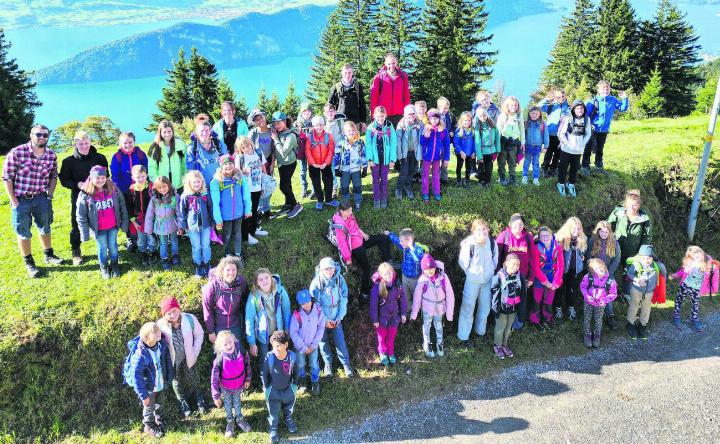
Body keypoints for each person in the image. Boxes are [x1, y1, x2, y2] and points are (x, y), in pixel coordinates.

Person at [3, 124, 64, 276]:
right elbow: (7, 178)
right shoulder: (17, 152)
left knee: (45, 227)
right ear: (31, 135)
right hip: (21, 200)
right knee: (23, 233)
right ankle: (29, 263)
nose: (42, 137)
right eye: (38, 134)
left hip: (41, 198)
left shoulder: (51, 155)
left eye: (45, 135)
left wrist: (49, 195)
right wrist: (14, 201)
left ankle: (48, 255)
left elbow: (53, 176)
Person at [59, 130, 108, 265]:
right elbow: (64, 180)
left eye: (86, 143)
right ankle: (76, 251)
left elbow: (106, 175)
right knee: (77, 222)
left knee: (103, 219)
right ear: (75, 144)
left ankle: (106, 245)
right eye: (80, 144)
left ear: (90, 142)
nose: (84, 146)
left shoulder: (100, 158)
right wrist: (77, 184)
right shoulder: (68, 161)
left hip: (99, 194)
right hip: (79, 196)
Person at [156, 297, 206, 418]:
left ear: (178, 308)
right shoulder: (160, 326)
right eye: (168, 313)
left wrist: (195, 351)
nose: (172, 315)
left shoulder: (189, 319)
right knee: (176, 382)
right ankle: (183, 402)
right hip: (173, 361)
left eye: (174, 310)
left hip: (189, 356)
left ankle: (200, 399)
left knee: (194, 378)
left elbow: (199, 334)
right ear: (164, 315)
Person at [76, 166, 129, 279]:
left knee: (113, 246)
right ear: (91, 178)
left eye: (103, 177)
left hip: (113, 226)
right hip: (98, 229)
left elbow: (122, 206)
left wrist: (124, 222)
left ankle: (114, 265)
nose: (100, 180)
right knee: (102, 248)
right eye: (97, 178)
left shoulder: (113, 189)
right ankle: (104, 266)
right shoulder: (85, 194)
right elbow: (81, 216)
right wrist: (84, 233)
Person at [332, 201, 392, 298]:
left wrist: (362, 233)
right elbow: (342, 243)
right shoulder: (340, 225)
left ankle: (388, 260)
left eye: (351, 210)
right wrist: (348, 258)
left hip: (360, 239)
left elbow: (356, 227)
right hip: (356, 248)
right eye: (348, 211)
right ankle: (364, 292)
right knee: (366, 268)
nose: (351, 212)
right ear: (341, 211)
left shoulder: (349, 216)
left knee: (382, 238)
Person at [125, 322, 174, 438]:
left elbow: (168, 362)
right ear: (146, 338)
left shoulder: (162, 345)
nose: (159, 333)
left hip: (160, 384)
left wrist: (169, 378)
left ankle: (159, 420)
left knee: (159, 404)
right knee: (149, 407)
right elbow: (136, 377)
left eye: (158, 330)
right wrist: (143, 395)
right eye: (155, 332)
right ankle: (149, 426)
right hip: (149, 389)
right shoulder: (140, 355)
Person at [309, 257, 355, 378]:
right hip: (321, 320)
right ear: (321, 270)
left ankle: (346, 365)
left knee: (340, 342)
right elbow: (315, 305)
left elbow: (344, 299)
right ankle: (327, 365)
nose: (329, 271)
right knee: (323, 343)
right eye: (326, 269)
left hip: (336, 318)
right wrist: (324, 320)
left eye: (331, 268)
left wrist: (340, 316)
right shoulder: (316, 283)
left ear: (334, 268)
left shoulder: (340, 280)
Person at [457, 219, 498, 346]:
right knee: (468, 308)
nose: (482, 232)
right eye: (479, 229)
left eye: (484, 229)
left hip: (487, 281)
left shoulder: (492, 242)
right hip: (472, 281)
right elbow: (463, 262)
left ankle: (480, 332)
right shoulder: (469, 244)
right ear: (473, 231)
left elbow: (495, 259)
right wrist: (471, 273)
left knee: (485, 307)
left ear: (488, 230)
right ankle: (464, 336)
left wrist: (490, 272)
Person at [495, 213, 538, 329]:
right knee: (506, 299)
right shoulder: (504, 236)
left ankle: (518, 323)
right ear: (510, 224)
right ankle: (502, 321)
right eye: (516, 223)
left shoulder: (528, 238)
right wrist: (499, 274)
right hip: (506, 277)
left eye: (521, 224)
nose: (518, 226)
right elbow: (496, 257)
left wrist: (532, 277)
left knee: (521, 300)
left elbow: (533, 259)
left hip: (522, 276)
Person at [581, 80, 629, 175]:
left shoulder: (613, 100)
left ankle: (598, 166)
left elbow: (623, 108)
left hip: (604, 130)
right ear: (598, 90)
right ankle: (585, 167)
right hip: (592, 129)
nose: (605, 90)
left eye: (607, 88)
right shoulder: (593, 101)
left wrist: (624, 98)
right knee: (588, 147)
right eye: (603, 88)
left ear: (609, 89)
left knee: (600, 149)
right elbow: (585, 114)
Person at [412, 254, 455, 358]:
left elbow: (450, 295)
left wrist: (449, 314)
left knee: (439, 326)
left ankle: (440, 344)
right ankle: (427, 344)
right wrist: (414, 313)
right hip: (427, 308)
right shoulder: (422, 280)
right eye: (426, 269)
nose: (429, 271)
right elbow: (417, 297)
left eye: (431, 268)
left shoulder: (443, 277)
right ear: (423, 270)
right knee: (426, 326)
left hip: (440, 308)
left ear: (435, 267)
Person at [211, 330, 252, 437]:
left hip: (239, 386)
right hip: (225, 388)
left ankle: (239, 419)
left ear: (234, 340)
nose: (229, 345)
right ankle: (230, 422)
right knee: (228, 405)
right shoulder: (219, 360)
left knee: (237, 402)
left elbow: (247, 366)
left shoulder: (242, 353)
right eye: (225, 344)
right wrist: (216, 396)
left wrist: (248, 379)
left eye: (230, 342)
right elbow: (214, 379)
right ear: (220, 347)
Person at [210, 155, 251, 260]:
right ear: (221, 166)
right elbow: (215, 202)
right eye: (225, 164)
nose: (228, 166)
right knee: (227, 234)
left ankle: (238, 254)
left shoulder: (240, 178)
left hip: (238, 213)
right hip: (225, 215)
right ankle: (227, 254)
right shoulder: (216, 182)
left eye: (230, 163)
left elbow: (246, 195)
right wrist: (218, 219)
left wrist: (247, 209)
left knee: (238, 233)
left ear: (234, 164)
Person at [261, 330, 299, 444]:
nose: (276, 349)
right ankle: (273, 429)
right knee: (274, 411)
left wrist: (294, 386)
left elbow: (296, 372)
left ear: (286, 345)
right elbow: (265, 374)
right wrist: (267, 389)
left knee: (289, 407)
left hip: (288, 390)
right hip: (274, 392)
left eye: (279, 346)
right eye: (273, 347)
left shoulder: (292, 357)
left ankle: (288, 419)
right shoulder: (270, 358)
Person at [245, 268, 292, 361]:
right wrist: (252, 342)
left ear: (271, 278)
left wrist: (287, 332)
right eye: (261, 279)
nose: (264, 281)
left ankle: (278, 376)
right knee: (265, 360)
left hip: (278, 332)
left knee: (279, 357)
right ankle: (265, 376)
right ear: (257, 283)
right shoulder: (254, 296)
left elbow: (286, 312)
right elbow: (249, 319)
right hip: (263, 335)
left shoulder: (280, 291)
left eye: (266, 278)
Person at [202, 256, 249, 343]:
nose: (231, 273)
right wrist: (211, 331)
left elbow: (247, 302)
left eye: (234, 269)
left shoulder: (242, 282)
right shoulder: (213, 286)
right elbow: (207, 309)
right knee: (221, 353)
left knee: (238, 351)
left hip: (236, 324)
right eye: (228, 270)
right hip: (219, 325)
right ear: (222, 271)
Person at [585, 220, 622, 330]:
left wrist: (608, 273)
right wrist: (593, 271)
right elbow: (588, 257)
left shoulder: (614, 242)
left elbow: (617, 259)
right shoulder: (592, 240)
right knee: (592, 292)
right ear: (598, 231)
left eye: (606, 232)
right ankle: (591, 314)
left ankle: (610, 315)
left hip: (607, 274)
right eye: (602, 232)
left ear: (610, 232)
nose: (604, 234)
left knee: (607, 294)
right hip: (594, 273)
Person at [670, 246, 716, 333]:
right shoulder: (690, 261)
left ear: (701, 252)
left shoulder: (709, 262)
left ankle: (694, 318)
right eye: (692, 256)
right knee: (679, 300)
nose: (695, 257)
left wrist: (713, 287)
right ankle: (676, 315)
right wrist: (676, 275)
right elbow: (684, 271)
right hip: (685, 284)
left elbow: (714, 276)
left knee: (695, 304)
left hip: (697, 288)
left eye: (696, 255)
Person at [625, 245, 666, 340]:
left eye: (649, 258)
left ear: (653, 258)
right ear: (640, 257)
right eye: (644, 258)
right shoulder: (636, 264)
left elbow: (663, 275)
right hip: (636, 290)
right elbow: (629, 273)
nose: (647, 260)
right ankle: (630, 324)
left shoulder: (656, 266)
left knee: (646, 309)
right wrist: (637, 279)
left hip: (649, 293)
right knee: (634, 306)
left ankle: (642, 326)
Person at [177, 170, 213, 278]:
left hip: (205, 225)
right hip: (192, 226)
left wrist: (213, 221)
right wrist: (183, 225)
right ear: (189, 183)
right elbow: (182, 212)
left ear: (202, 182)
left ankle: (206, 263)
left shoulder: (205, 194)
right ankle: (198, 264)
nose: (197, 184)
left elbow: (210, 208)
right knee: (196, 246)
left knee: (205, 245)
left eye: (198, 182)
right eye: (194, 182)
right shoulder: (186, 196)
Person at [288, 289, 325, 394]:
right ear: (299, 303)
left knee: (314, 363)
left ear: (311, 299)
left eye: (308, 301)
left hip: (313, 345)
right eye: (303, 303)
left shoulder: (318, 311)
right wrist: (303, 347)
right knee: (300, 364)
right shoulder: (296, 315)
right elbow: (293, 333)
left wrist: (313, 345)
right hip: (300, 347)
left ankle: (315, 382)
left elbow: (321, 328)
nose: (306, 304)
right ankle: (302, 381)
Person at [370, 262, 407, 366]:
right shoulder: (377, 287)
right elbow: (373, 305)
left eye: (389, 273)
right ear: (381, 275)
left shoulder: (398, 285)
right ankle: (382, 353)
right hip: (382, 320)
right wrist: (375, 320)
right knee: (381, 338)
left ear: (393, 272)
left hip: (394, 318)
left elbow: (403, 300)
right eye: (385, 274)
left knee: (391, 337)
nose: (388, 276)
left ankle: (390, 353)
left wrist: (403, 313)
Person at [608, 189, 652, 277]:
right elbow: (608, 226)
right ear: (626, 204)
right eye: (630, 205)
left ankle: (627, 287)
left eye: (635, 205)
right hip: (616, 248)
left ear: (639, 206)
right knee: (611, 268)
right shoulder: (618, 213)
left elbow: (647, 237)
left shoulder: (644, 219)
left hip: (632, 252)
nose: (632, 207)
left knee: (629, 273)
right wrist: (610, 239)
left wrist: (641, 253)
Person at [491, 254, 525, 360]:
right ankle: (497, 346)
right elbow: (494, 294)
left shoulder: (520, 276)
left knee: (508, 328)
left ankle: (504, 345)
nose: (515, 267)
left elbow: (523, 293)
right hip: (501, 309)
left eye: (518, 265)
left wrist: (521, 308)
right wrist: (495, 309)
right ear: (506, 263)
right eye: (513, 264)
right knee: (500, 328)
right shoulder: (499, 276)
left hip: (513, 309)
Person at [235, 135, 268, 245]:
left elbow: (263, 166)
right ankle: (246, 235)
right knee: (247, 212)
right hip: (246, 188)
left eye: (248, 145)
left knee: (254, 209)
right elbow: (236, 173)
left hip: (257, 186)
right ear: (240, 149)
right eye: (243, 147)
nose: (247, 148)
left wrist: (265, 178)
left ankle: (253, 230)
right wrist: (242, 172)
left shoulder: (258, 152)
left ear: (251, 144)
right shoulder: (240, 157)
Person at [529, 226, 564, 331]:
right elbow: (535, 267)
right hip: (539, 278)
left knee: (549, 300)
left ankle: (547, 319)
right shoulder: (536, 248)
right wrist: (545, 281)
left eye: (547, 235)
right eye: (542, 236)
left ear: (551, 235)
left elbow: (560, 266)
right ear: (539, 238)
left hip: (552, 277)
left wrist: (556, 282)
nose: (545, 237)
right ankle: (535, 320)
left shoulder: (558, 247)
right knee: (537, 300)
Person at [270, 111, 303, 219]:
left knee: (283, 186)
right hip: (281, 164)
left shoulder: (291, 135)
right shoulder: (279, 132)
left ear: (284, 122)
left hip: (289, 163)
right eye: (275, 123)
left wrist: (275, 139)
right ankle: (288, 204)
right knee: (287, 184)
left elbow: (283, 153)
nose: (276, 125)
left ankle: (296, 205)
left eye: (279, 123)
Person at [556, 99, 592, 197]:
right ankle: (561, 184)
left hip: (578, 150)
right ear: (573, 109)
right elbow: (560, 133)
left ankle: (571, 184)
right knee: (563, 168)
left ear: (584, 109)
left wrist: (582, 144)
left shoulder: (586, 119)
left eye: (581, 108)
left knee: (574, 168)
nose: (580, 110)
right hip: (566, 150)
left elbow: (588, 133)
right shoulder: (568, 118)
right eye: (577, 108)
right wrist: (568, 144)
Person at [385, 228, 426, 313]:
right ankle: (408, 310)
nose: (400, 242)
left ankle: (419, 311)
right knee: (406, 296)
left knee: (417, 297)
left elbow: (418, 259)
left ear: (409, 240)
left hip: (416, 280)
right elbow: (396, 241)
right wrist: (390, 234)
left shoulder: (418, 249)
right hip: (405, 277)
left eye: (402, 241)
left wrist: (411, 248)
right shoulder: (404, 247)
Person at [555, 217, 587, 322]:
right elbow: (549, 239)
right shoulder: (561, 238)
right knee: (559, 290)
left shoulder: (582, 239)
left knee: (571, 289)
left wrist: (582, 255)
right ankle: (558, 308)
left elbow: (583, 252)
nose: (576, 231)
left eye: (578, 229)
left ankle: (570, 308)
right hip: (562, 269)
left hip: (574, 270)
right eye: (574, 229)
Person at [580, 259, 618, 348]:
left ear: (604, 267)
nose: (600, 270)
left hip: (600, 304)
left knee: (598, 320)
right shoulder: (588, 277)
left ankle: (597, 336)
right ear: (592, 270)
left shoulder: (610, 281)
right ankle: (587, 335)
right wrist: (586, 296)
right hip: (588, 302)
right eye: (597, 268)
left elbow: (613, 294)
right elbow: (583, 287)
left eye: (601, 267)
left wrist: (605, 300)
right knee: (587, 319)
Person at [144, 176, 180, 270]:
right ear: (156, 188)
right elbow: (149, 215)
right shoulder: (154, 199)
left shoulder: (175, 197)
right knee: (163, 243)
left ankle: (175, 255)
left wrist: (181, 226)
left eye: (164, 186)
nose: (162, 189)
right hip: (160, 225)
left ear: (168, 185)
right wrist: (149, 229)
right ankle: (164, 259)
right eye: (159, 188)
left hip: (172, 223)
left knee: (174, 240)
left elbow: (179, 212)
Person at [366, 106, 397, 209]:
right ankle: (376, 198)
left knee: (384, 179)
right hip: (375, 159)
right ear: (374, 116)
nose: (380, 118)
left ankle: (383, 197)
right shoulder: (370, 128)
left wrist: (393, 159)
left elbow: (393, 143)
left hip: (386, 159)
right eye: (378, 116)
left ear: (385, 116)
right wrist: (370, 159)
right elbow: (368, 145)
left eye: (382, 116)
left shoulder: (389, 127)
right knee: (375, 179)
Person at [125, 165, 156, 266]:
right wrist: (133, 221)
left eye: (143, 176)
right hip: (138, 218)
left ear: (146, 175)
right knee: (141, 237)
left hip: (151, 217)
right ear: (133, 177)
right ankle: (143, 252)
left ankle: (152, 251)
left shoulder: (152, 187)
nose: (141, 179)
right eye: (138, 177)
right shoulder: (131, 191)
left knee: (151, 235)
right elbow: (129, 207)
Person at [247, 109, 275, 218]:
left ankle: (266, 209)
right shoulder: (253, 133)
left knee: (268, 185)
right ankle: (257, 210)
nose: (260, 121)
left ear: (265, 116)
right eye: (257, 120)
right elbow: (247, 148)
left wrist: (272, 164)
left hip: (268, 162)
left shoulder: (271, 131)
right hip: (256, 164)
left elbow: (273, 149)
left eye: (261, 117)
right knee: (256, 187)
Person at [370, 53, 411, 127]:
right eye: (389, 64)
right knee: (384, 138)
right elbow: (374, 98)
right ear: (385, 64)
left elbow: (406, 96)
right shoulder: (379, 78)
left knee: (399, 138)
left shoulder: (403, 76)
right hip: (383, 116)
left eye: (393, 63)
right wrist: (374, 115)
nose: (391, 66)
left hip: (399, 115)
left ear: (396, 63)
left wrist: (407, 112)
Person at [306, 115, 338, 210]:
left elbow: (331, 150)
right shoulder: (310, 137)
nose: (318, 127)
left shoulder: (329, 136)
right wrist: (313, 163)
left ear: (324, 125)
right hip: (313, 165)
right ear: (313, 126)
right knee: (316, 183)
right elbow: (307, 151)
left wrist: (326, 163)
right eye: (316, 125)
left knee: (328, 182)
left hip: (326, 164)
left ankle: (329, 199)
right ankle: (320, 200)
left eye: (320, 125)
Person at [334, 121, 368, 209]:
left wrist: (364, 168)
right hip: (344, 170)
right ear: (345, 132)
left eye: (353, 130)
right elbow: (337, 156)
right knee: (344, 187)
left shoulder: (360, 142)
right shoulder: (340, 143)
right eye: (348, 130)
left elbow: (363, 155)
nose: (351, 132)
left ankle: (358, 202)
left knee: (357, 186)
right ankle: (346, 204)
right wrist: (336, 168)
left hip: (356, 169)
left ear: (355, 131)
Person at [185, 121, 228, 189]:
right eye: (201, 131)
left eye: (207, 130)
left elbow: (227, 162)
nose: (204, 133)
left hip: (220, 185)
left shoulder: (219, 144)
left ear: (210, 131)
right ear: (196, 132)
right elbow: (190, 170)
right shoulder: (192, 148)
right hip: (202, 188)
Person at [419, 109, 450, 203]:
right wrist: (426, 136)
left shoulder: (443, 130)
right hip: (426, 157)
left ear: (439, 119)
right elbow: (422, 142)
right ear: (429, 119)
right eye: (432, 118)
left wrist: (446, 158)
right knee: (425, 175)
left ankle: (436, 191)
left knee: (436, 175)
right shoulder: (425, 128)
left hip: (437, 157)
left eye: (436, 118)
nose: (434, 120)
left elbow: (446, 145)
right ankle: (425, 192)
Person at [538, 88, 570, 177]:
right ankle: (545, 168)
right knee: (549, 152)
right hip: (550, 134)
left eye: (562, 96)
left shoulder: (567, 106)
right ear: (555, 97)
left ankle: (553, 168)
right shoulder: (551, 106)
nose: (561, 98)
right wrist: (546, 99)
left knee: (558, 153)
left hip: (561, 135)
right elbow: (538, 107)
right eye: (558, 97)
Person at [147, 120, 186, 192]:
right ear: (160, 133)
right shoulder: (155, 147)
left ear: (173, 131)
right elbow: (152, 167)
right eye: (164, 132)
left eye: (169, 131)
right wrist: (158, 182)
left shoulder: (180, 144)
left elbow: (184, 162)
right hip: (162, 186)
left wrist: (185, 176)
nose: (167, 134)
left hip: (179, 183)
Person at [496, 96, 525, 186]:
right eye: (511, 105)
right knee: (501, 161)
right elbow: (498, 129)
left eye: (516, 105)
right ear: (507, 105)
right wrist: (497, 143)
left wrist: (523, 141)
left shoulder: (519, 116)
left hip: (514, 143)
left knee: (512, 161)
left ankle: (513, 179)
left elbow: (522, 129)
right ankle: (502, 178)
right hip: (503, 142)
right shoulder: (503, 115)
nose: (514, 107)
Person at [395, 104, 422, 199]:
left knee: (411, 170)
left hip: (414, 152)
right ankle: (398, 188)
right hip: (404, 153)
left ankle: (408, 186)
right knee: (404, 171)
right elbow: (398, 140)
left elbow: (421, 138)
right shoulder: (401, 124)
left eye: (413, 114)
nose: (412, 116)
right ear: (405, 114)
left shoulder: (419, 124)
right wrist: (399, 154)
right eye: (409, 114)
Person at [473, 108, 501, 188]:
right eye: (480, 116)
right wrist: (479, 156)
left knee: (489, 168)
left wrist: (498, 149)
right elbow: (477, 142)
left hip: (491, 151)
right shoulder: (478, 127)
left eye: (484, 115)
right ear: (478, 117)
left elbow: (497, 138)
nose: (482, 118)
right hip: (482, 151)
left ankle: (487, 181)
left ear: (487, 114)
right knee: (481, 167)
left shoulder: (493, 125)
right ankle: (481, 180)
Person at [522, 106, 549, 186]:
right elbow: (523, 135)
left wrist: (546, 146)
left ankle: (535, 178)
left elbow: (546, 135)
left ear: (540, 114)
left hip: (537, 147)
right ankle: (525, 176)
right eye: (532, 113)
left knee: (536, 162)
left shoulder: (542, 123)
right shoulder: (525, 123)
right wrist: (522, 145)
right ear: (529, 114)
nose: (534, 115)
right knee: (526, 162)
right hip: (528, 146)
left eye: (536, 114)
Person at [295, 102, 313, 199]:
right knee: (302, 171)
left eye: (309, 111)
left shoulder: (314, 122)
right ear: (301, 112)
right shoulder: (297, 124)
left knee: (313, 171)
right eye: (304, 111)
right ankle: (304, 188)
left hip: (312, 151)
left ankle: (314, 188)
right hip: (301, 151)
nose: (306, 113)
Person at [437, 96, 456, 184]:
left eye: (447, 108)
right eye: (444, 108)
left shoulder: (450, 116)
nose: (446, 110)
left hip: (446, 140)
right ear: (439, 107)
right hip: (437, 141)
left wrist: (452, 131)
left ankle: (444, 178)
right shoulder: (436, 115)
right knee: (436, 160)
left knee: (445, 158)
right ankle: (436, 177)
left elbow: (454, 124)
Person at [453, 111, 475, 188]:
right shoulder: (459, 130)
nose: (467, 122)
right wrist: (461, 152)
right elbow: (456, 143)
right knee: (459, 167)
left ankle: (467, 181)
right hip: (460, 153)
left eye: (469, 120)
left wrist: (474, 152)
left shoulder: (473, 130)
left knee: (468, 168)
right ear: (461, 121)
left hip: (470, 153)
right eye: (465, 120)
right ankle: (458, 180)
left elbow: (476, 142)